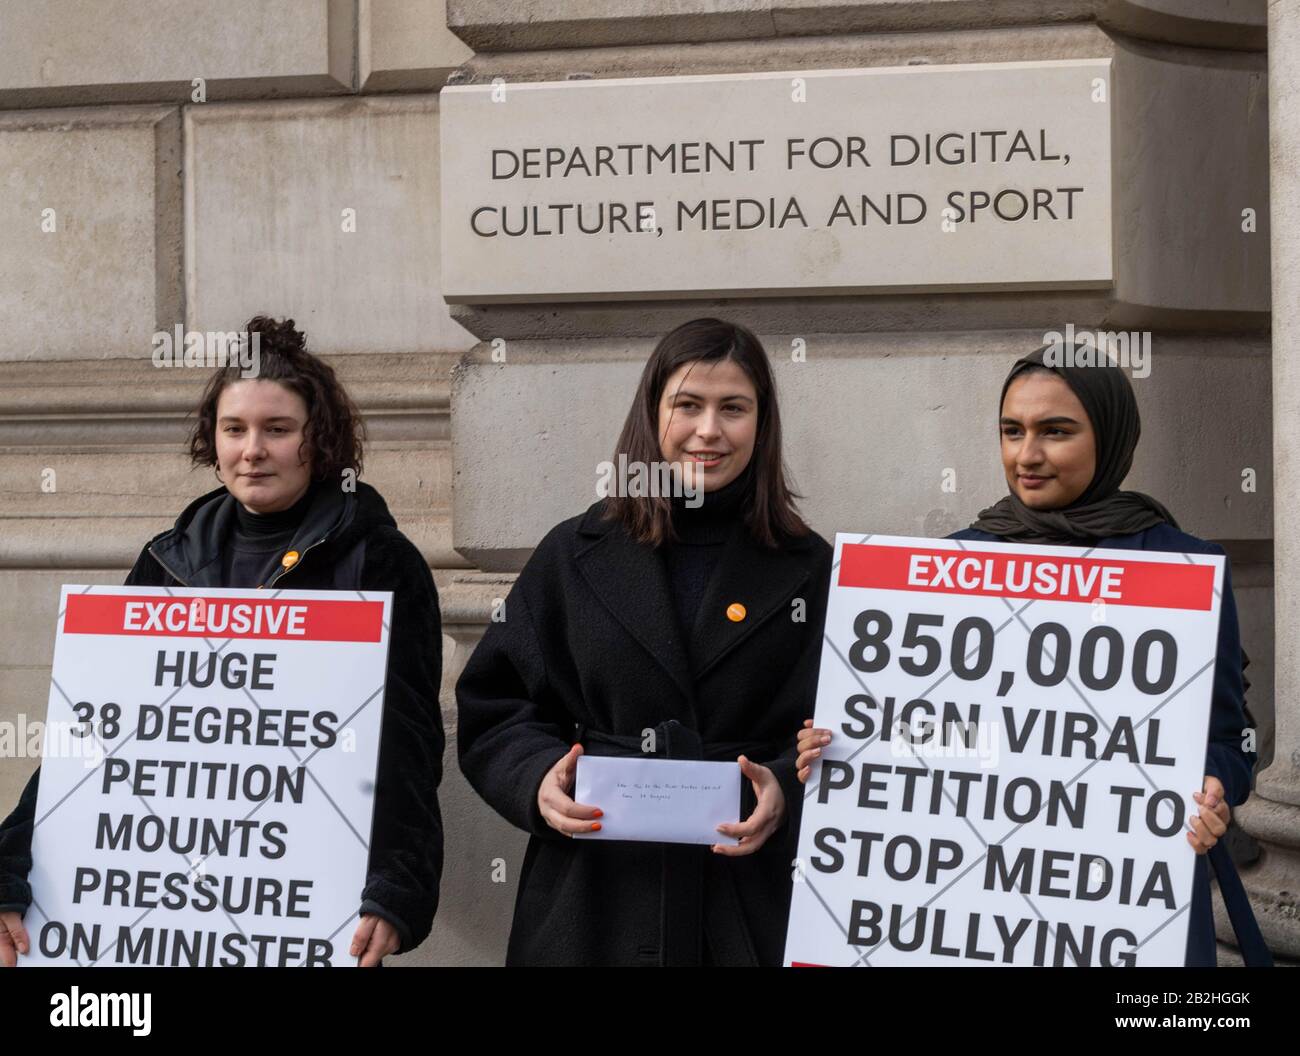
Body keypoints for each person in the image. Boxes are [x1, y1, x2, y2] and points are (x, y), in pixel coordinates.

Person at [796, 343, 1271, 967]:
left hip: (1125, 911)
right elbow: (931, 736)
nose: (1027, 455)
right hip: (974, 907)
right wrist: (842, 750)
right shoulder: (947, 567)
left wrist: (1215, 788)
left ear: (1111, 436)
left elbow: (1231, 737)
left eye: (1057, 432)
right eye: (1011, 431)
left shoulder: (1182, 567)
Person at [0, 316, 444, 967]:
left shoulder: (378, 562)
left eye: (277, 430)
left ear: (318, 441)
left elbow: (405, 740)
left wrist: (396, 886)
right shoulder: (167, 561)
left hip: (303, 898)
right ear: (214, 439)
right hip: (161, 906)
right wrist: (12, 867)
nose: (252, 449)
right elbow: (93, 737)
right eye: (234, 429)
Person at [456, 317, 831, 965]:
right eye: (687, 405)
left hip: (752, 895)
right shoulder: (573, 553)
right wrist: (538, 776)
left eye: (733, 408)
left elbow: (846, 733)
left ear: (761, 425)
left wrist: (785, 789)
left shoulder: (809, 566)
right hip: (594, 900)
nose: (708, 430)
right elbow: (497, 704)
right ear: (652, 415)